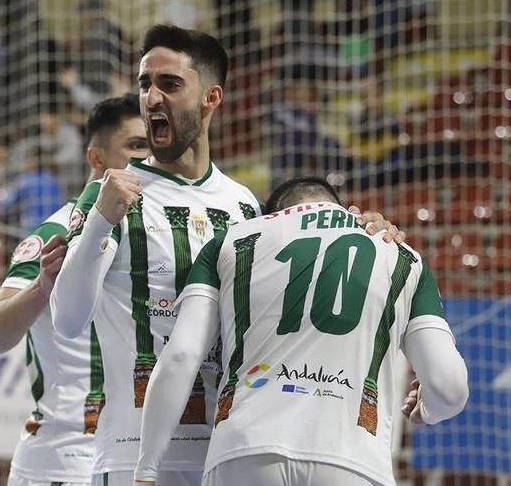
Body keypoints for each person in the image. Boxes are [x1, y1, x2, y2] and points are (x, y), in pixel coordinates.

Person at [49, 25, 403, 486]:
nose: (152, 98)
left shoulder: (245, 206)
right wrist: (99, 219)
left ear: (210, 98)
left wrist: (370, 232)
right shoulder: (112, 194)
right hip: (132, 456)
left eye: (169, 84)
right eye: (144, 84)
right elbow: (67, 320)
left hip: (230, 452)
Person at [133, 177, 469, 486]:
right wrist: (426, 409)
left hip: (244, 451)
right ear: (342, 206)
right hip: (352, 459)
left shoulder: (232, 240)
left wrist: (146, 470)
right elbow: (450, 388)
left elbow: (181, 355)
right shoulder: (402, 256)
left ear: (276, 212)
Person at [0, 94, 148, 486]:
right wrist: (41, 287)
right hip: (66, 460)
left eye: (153, 147)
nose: (147, 160)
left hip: (127, 455)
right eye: (135, 146)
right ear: (97, 159)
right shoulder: (57, 231)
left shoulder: (150, 235)